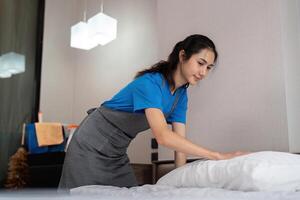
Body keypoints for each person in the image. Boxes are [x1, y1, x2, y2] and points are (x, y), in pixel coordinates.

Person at [58, 34, 247, 190]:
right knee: (82, 193)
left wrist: (180, 183)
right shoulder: (151, 83)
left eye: (208, 67)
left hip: (116, 151)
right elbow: (163, 136)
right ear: (182, 56)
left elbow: (178, 144)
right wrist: (217, 155)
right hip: (90, 143)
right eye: (200, 63)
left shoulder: (181, 96)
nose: (203, 72)